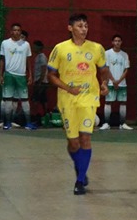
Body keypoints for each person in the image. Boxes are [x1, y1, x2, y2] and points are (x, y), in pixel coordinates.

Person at [46, 13, 109, 195]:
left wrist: (104, 83)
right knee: (73, 143)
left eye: (86, 26)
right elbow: (51, 75)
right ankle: (79, 166)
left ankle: (80, 181)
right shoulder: (60, 48)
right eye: (80, 26)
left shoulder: (97, 48)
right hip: (67, 99)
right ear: (70, 28)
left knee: (85, 139)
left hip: (89, 98)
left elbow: (103, 69)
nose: (83, 29)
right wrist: (67, 88)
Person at [0, 23, 35, 130]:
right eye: (14, 30)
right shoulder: (5, 43)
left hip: (21, 76)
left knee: (24, 99)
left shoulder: (26, 45)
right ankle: (7, 123)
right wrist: (1, 75)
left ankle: (28, 123)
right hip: (9, 75)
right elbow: (2, 59)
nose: (17, 32)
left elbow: (28, 61)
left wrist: (30, 75)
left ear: (21, 32)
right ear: (11, 32)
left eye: (19, 30)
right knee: (8, 99)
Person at [101, 34, 132, 130]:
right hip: (110, 83)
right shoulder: (107, 53)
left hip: (122, 83)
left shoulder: (125, 55)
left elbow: (126, 70)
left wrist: (118, 81)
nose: (117, 42)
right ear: (112, 42)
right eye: (115, 41)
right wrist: (113, 81)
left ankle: (122, 123)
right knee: (108, 102)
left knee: (123, 102)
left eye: (119, 41)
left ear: (121, 42)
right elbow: (106, 68)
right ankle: (106, 123)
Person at [31, 40, 49, 120]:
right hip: (39, 81)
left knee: (36, 98)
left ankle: (37, 116)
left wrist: (40, 81)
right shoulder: (38, 57)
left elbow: (44, 69)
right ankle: (44, 116)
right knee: (42, 99)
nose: (33, 48)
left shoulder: (42, 57)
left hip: (41, 82)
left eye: (35, 46)